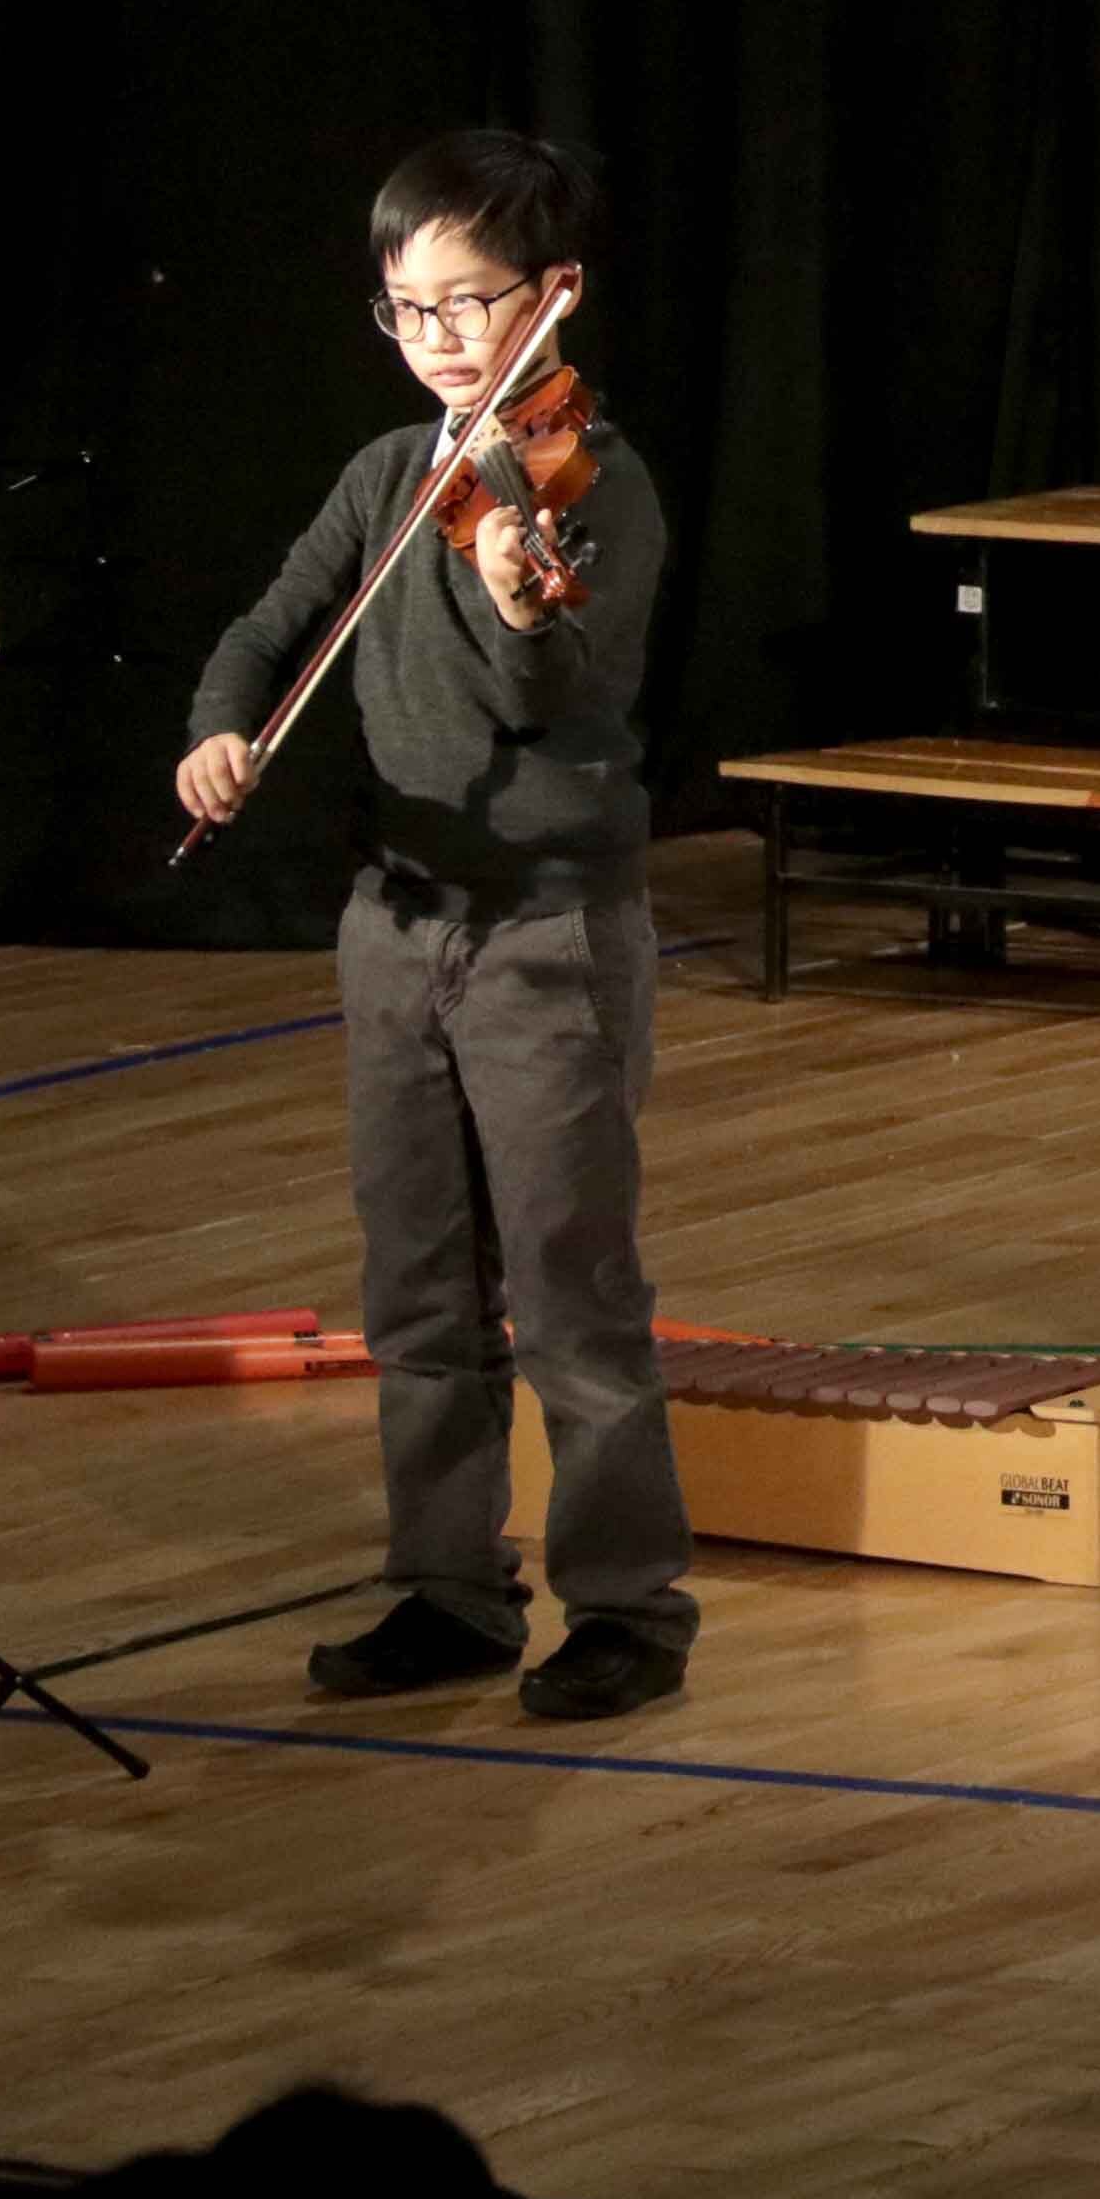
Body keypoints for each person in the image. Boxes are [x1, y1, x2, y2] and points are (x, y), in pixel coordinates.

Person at [177, 130, 693, 1723]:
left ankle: (625, 1605)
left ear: (557, 295)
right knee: (416, 1284)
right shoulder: (387, 475)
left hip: (548, 928)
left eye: (475, 305)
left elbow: (556, 692)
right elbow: (270, 624)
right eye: (412, 311)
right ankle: (450, 1586)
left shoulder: (598, 488)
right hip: (394, 921)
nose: (445, 340)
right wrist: (219, 727)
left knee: (571, 1280)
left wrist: (512, 589)